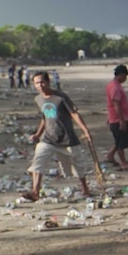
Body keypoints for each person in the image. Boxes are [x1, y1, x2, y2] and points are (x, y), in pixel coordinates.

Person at [20, 71, 91, 201]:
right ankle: (35, 191)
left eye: (42, 82)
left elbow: (74, 114)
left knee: (78, 165)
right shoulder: (38, 99)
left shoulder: (61, 97)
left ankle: (85, 188)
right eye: (37, 83)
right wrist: (37, 134)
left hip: (67, 139)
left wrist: (85, 130)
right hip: (48, 139)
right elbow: (44, 118)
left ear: (48, 82)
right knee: (38, 162)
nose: (40, 85)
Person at [104, 64, 128, 170]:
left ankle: (110, 156)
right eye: (125, 75)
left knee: (118, 141)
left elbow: (111, 104)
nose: (126, 78)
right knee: (121, 143)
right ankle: (124, 163)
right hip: (118, 119)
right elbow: (116, 103)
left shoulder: (112, 85)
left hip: (114, 118)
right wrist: (121, 120)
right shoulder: (115, 87)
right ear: (120, 75)